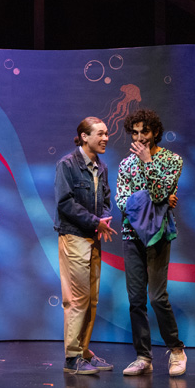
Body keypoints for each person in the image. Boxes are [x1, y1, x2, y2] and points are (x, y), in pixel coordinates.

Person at [115, 108, 187, 377]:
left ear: (155, 132)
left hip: (158, 234)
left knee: (157, 297)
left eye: (144, 132)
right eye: (134, 133)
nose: (139, 137)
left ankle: (176, 350)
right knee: (136, 300)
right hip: (131, 235)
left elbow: (159, 193)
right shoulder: (125, 164)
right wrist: (159, 200)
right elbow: (122, 202)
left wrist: (148, 164)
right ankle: (143, 357)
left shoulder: (172, 160)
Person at [54, 117, 118, 375]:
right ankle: (72, 357)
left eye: (106, 134)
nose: (105, 138)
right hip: (74, 237)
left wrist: (104, 219)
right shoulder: (67, 165)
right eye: (100, 134)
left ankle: (83, 351)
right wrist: (95, 222)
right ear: (84, 136)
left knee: (91, 299)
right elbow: (65, 203)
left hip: (93, 238)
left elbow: (106, 199)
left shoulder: (101, 167)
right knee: (77, 299)